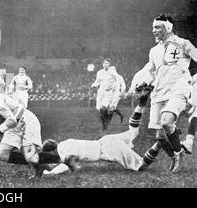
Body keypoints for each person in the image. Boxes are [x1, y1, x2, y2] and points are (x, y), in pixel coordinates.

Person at [28, 84, 153, 176]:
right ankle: (141, 104)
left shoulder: (63, 151)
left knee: (140, 166)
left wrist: (50, 173)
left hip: (109, 150)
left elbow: (65, 165)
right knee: (134, 132)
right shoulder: (65, 143)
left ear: (53, 151)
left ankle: (160, 143)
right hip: (107, 141)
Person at [134, 14, 197, 173]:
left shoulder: (183, 43)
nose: (153, 30)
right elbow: (152, 71)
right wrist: (145, 82)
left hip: (179, 88)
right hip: (159, 92)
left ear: (168, 27)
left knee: (166, 121)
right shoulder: (154, 50)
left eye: (157, 27)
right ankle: (176, 149)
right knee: (161, 137)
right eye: (153, 27)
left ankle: (178, 154)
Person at [91, 58, 120, 130]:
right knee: (100, 109)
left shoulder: (113, 72)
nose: (105, 65)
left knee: (104, 107)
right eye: (104, 63)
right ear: (102, 64)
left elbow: (118, 80)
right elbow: (97, 81)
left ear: (109, 64)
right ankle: (105, 123)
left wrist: (115, 88)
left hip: (109, 92)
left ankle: (105, 124)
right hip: (101, 92)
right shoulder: (99, 72)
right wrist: (94, 85)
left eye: (107, 63)